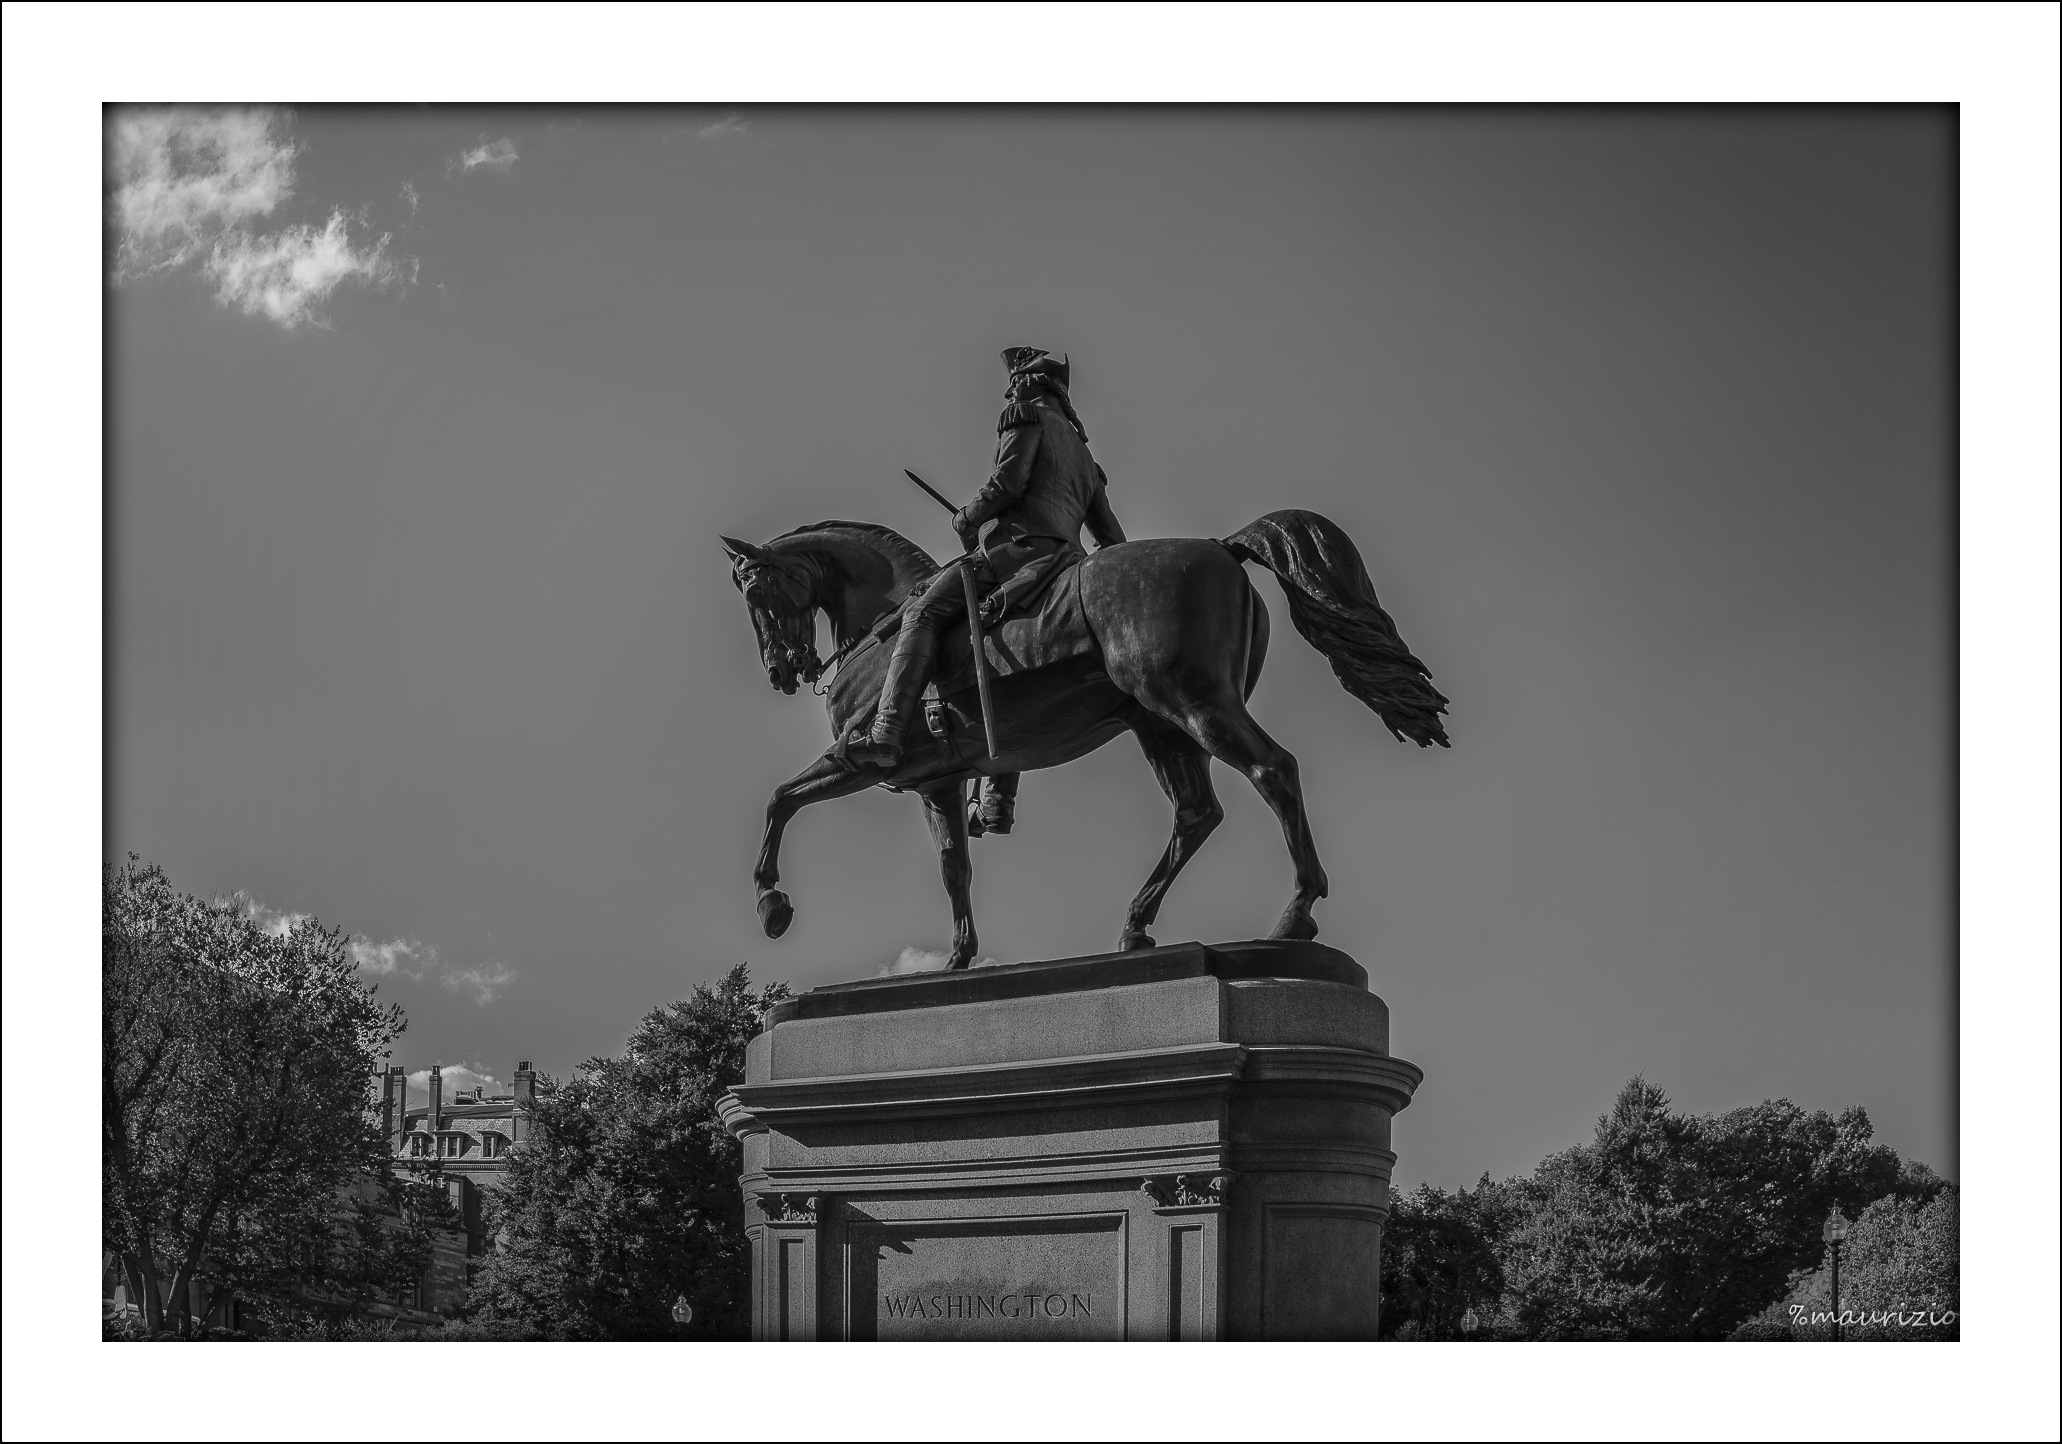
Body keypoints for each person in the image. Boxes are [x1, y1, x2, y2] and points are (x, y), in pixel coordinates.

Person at [845, 348, 1127, 835]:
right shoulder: (1087, 460)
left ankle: (887, 729)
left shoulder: (1023, 415)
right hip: (1066, 563)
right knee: (1008, 655)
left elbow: (1007, 481)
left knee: (923, 614)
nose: (1009, 391)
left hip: (1014, 555)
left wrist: (968, 517)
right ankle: (997, 801)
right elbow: (1112, 542)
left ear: (1028, 384)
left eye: (1014, 382)